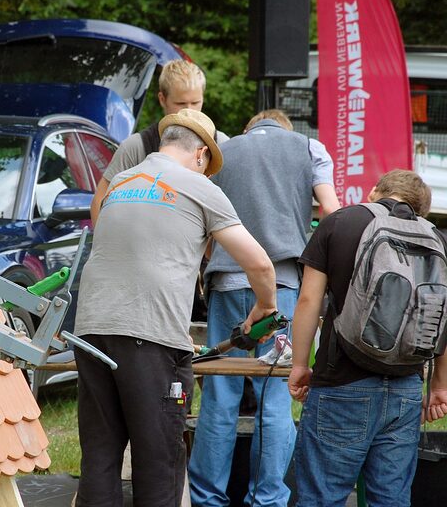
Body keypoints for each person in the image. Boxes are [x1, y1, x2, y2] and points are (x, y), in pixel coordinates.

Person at [73, 108, 279, 507]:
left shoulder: (120, 181)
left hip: (91, 330)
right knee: (160, 461)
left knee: (99, 456)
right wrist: (265, 308)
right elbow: (258, 263)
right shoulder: (197, 186)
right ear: (200, 154)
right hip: (148, 340)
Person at [187, 109, 340, 507]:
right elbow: (332, 213)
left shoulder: (221, 152)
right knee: (275, 394)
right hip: (284, 286)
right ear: (284, 129)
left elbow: (202, 224)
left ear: (249, 127)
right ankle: (268, 498)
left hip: (226, 280)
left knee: (220, 395)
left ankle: (207, 498)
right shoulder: (310, 148)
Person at [288, 170, 447, 505]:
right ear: (422, 209)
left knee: (322, 496)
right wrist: (439, 386)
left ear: (375, 191)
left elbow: (308, 301)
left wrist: (300, 364)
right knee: (390, 498)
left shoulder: (339, 222)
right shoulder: (435, 238)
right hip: (405, 388)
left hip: (341, 382)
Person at [90, 59, 228, 225]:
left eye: (196, 102)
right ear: (162, 99)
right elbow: (100, 201)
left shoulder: (222, 144)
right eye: (181, 103)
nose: (189, 110)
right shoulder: (136, 146)